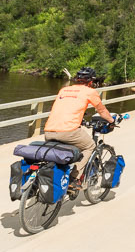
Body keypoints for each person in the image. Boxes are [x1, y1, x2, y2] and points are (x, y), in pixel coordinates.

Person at [44, 67, 116, 195]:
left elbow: (64, 107)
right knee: (90, 146)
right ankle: (74, 178)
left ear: (77, 79)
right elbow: (102, 111)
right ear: (91, 81)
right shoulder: (90, 91)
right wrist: (111, 121)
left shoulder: (64, 90)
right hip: (68, 131)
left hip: (49, 130)